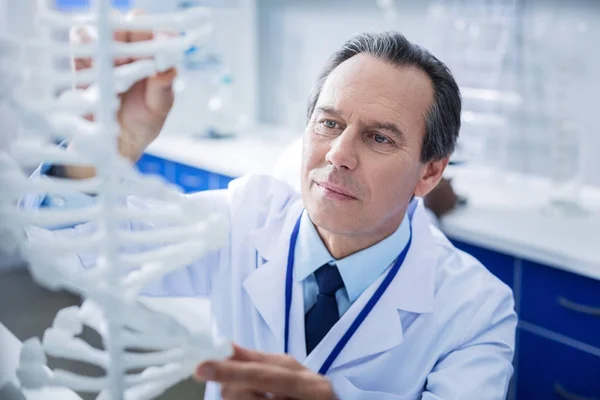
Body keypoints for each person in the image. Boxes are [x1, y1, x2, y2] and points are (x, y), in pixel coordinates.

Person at [29, 24, 517, 400]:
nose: (338, 154)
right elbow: (74, 247)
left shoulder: (476, 309)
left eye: (379, 137)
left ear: (429, 173)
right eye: (329, 123)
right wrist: (107, 147)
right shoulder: (246, 219)